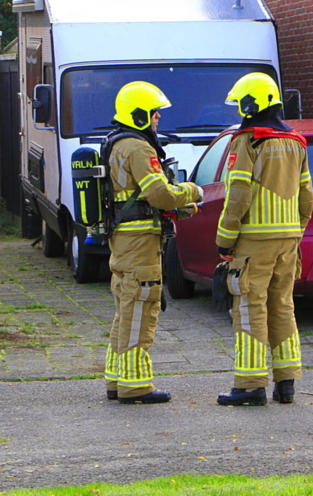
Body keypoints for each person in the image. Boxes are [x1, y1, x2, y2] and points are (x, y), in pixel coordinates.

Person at [214, 72, 313, 406]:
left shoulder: (249, 140)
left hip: (254, 243)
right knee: (283, 305)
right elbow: (307, 195)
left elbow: (238, 194)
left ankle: (249, 385)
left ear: (250, 103)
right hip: (288, 240)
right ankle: (287, 383)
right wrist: (296, 231)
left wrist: (224, 239)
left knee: (249, 307)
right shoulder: (297, 141)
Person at [102, 81, 203, 404]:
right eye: (153, 112)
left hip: (124, 239)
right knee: (142, 305)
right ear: (139, 115)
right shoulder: (139, 148)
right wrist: (191, 191)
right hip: (140, 243)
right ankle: (135, 386)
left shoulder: (116, 143)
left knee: (126, 306)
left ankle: (117, 379)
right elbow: (159, 194)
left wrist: (177, 208)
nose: (158, 116)